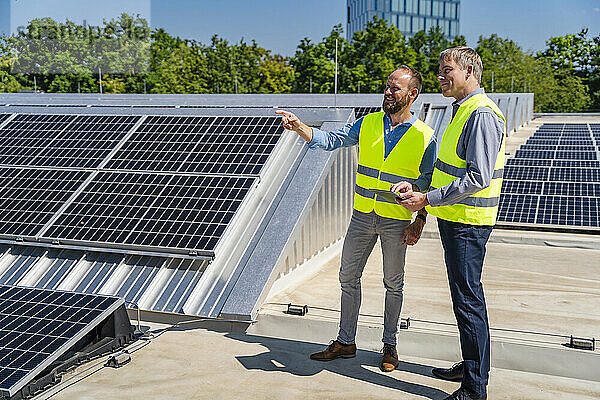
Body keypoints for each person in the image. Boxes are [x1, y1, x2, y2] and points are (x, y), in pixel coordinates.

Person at [276, 65, 435, 373]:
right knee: (348, 278)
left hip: (396, 221)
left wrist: (420, 220)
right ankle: (346, 341)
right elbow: (331, 140)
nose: (387, 92)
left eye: (395, 88)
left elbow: (430, 183)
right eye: (387, 86)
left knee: (394, 283)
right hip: (362, 217)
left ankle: (390, 345)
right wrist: (300, 128)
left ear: (412, 94)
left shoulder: (425, 137)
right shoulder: (368, 123)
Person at [392, 47, 505, 400]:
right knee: (466, 298)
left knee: (468, 300)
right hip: (456, 219)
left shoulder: (481, 115)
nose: (440, 76)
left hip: (468, 223)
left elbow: (478, 178)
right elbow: (448, 170)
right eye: (440, 70)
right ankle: (473, 366)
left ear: (469, 71)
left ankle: (474, 388)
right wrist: (422, 189)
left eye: (447, 70)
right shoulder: (461, 111)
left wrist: (425, 200)